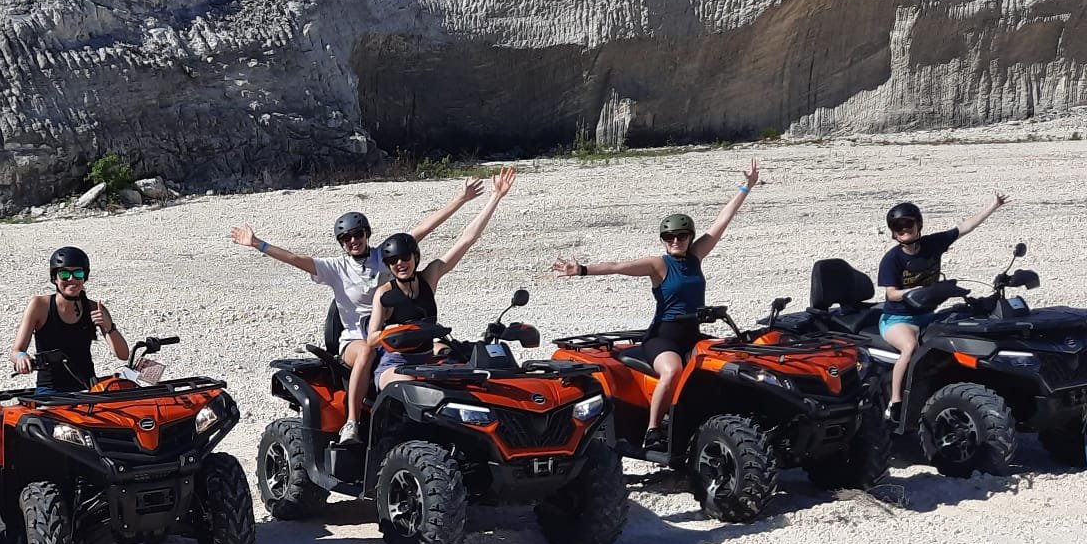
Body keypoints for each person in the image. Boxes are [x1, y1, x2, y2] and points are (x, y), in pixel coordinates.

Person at [229, 175, 487, 442]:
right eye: (346, 238)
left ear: (367, 234)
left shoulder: (386, 257)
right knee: (366, 350)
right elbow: (295, 259)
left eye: (357, 234)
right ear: (341, 243)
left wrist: (462, 199)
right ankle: (351, 422)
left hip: (397, 332)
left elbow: (423, 229)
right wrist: (257, 243)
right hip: (356, 337)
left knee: (448, 350)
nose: (353, 241)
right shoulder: (335, 268)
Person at [551, 161, 761, 452]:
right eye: (669, 237)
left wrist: (746, 187)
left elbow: (721, 222)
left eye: (681, 236)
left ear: (689, 238)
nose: (676, 241)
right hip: (663, 336)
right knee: (673, 371)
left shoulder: (696, 256)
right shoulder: (658, 265)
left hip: (693, 334)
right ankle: (653, 430)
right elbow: (618, 266)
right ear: (663, 240)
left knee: (730, 361)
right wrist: (582, 269)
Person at [363, 166, 516, 404]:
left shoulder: (428, 277)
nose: (400, 264)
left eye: (404, 257)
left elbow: (466, 239)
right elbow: (372, 338)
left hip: (429, 361)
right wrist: (398, 331)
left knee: (476, 383)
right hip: (396, 364)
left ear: (415, 257)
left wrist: (495, 197)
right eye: (392, 261)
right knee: (417, 391)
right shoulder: (385, 293)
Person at [875, 192, 1009, 426]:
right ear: (893, 232)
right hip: (898, 319)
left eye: (909, 224)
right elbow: (891, 293)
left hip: (928, 315)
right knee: (910, 348)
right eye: (898, 227)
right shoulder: (892, 259)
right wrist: (914, 291)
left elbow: (964, 227)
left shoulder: (933, 244)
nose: (904, 230)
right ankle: (895, 404)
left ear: (919, 225)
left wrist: (993, 206)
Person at [9, 245, 130, 392]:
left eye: (78, 273)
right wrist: (22, 357)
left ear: (84, 277)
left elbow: (123, 355)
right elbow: (16, 351)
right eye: (65, 274)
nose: (72, 279)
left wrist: (109, 327)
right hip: (50, 390)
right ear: (55, 278)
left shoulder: (95, 308)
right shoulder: (39, 306)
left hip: (87, 388)